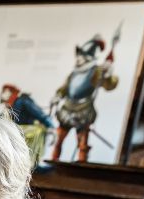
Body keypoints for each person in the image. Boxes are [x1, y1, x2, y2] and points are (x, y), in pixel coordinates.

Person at [50, 34, 118, 163]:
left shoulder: (96, 71)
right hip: (67, 109)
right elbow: (65, 88)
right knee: (58, 141)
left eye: (81, 56)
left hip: (83, 110)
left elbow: (109, 85)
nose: (78, 58)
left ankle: (80, 166)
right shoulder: (74, 72)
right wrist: (58, 96)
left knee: (82, 146)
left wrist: (108, 75)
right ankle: (54, 162)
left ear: (88, 57)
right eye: (79, 55)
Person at [0, 83, 53, 167]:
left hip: (28, 130)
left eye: (5, 91)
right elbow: (0, 118)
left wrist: (50, 126)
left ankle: (32, 163)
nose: (3, 94)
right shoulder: (9, 105)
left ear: (12, 92)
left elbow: (38, 113)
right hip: (18, 130)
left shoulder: (22, 101)